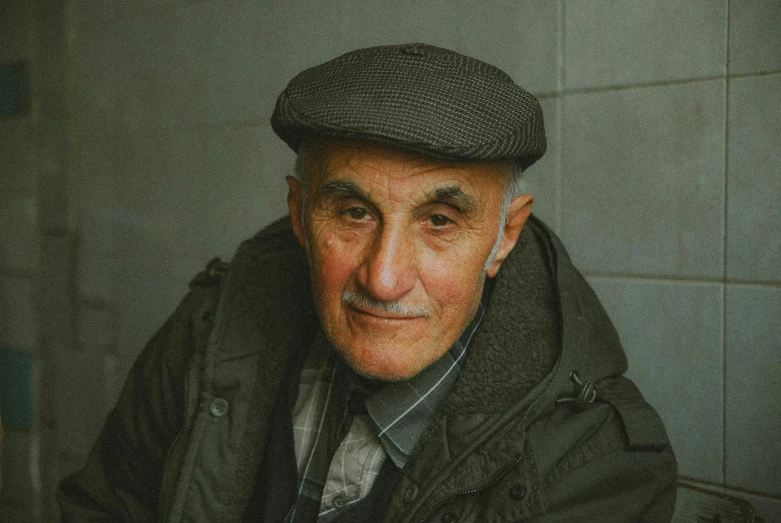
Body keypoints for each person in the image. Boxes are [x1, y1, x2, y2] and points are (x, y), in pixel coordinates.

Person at [58, 43, 677, 522]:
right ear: (300, 215)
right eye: (353, 214)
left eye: (439, 221)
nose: (383, 279)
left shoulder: (596, 460)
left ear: (504, 237)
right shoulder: (209, 333)